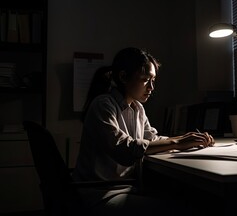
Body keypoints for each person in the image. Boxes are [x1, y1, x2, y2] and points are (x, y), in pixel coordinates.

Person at [73, 47, 215, 215]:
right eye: (146, 79)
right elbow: (124, 149)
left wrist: (186, 139)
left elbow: (152, 139)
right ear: (124, 77)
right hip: (98, 195)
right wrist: (177, 142)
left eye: (153, 80)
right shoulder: (103, 104)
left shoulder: (137, 108)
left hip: (128, 188)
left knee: (190, 199)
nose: (152, 87)